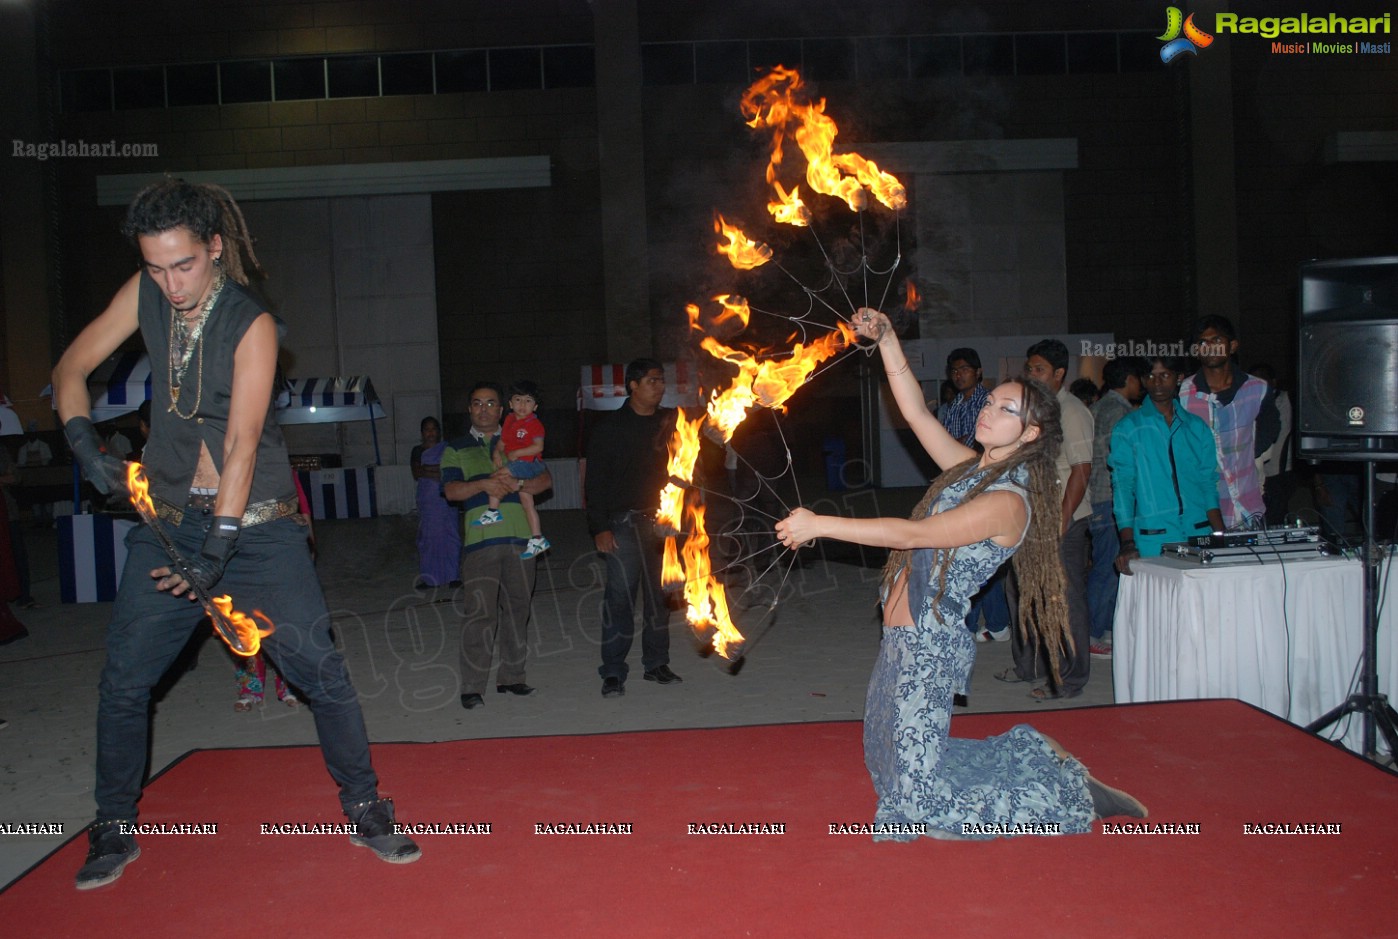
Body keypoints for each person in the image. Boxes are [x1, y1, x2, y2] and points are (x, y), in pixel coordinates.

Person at [52, 178, 420, 890]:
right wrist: (82, 442)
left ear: (214, 247)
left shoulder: (251, 323)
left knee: (322, 673)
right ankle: (114, 824)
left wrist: (214, 556)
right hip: (167, 522)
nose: (170, 282)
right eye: (156, 266)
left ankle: (366, 804)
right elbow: (69, 367)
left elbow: (243, 446)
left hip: (255, 530)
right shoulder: (147, 292)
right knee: (125, 681)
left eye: (182, 264)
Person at [776, 307, 1145, 840]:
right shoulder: (974, 469)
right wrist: (886, 339)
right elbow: (918, 416)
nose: (988, 411)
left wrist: (821, 524)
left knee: (917, 808)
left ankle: (1067, 789)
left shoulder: (1008, 502)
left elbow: (912, 535)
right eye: (991, 402)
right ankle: (1030, 750)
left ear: (1032, 431)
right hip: (900, 638)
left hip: (928, 646)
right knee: (886, 765)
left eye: (1005, 409)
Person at [441, 381, 552, 709]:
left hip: (521, 539)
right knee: (480, 613)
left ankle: (512, 677)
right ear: (469, 409)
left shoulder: (520, 437)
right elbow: (451, 491)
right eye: (477, 403)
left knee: (518, 609)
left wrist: (519, 482)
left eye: (491, 403)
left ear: (501, 410)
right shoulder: (456, 447)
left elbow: (545, 481)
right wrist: (484, 484)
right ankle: (473, 686)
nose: (484, 409)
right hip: (480, 542)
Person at [1003, 339, 1093, 702]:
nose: (1032, 375)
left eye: (1039, 369)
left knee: (1064, 600)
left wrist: (1062, 519)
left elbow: (1082, 469)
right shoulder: (1037, 410)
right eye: (1029, 368)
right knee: (1021, 592)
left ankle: (1070, 679)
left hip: (1060, 521)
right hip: (1029, 518)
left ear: (1059, 374)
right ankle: (1030, 667)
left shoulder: (1071, 411)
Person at [585, 358, 682, 698]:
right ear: (633, 385)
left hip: (661, 522)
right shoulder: (610, 428)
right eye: (652, 380)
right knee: (620, 598)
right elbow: (594, 482)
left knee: (660, 597)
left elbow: (688, 465)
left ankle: (656, 663)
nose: (659, 386)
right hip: (622, 522)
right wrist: (599, 526)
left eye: (661, 380)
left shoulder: (671, 422)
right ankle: (613, 670)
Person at [1110, 356, 1224, 568]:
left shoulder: (1196, 427)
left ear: (1178, 378)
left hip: (1198, 532)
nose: (1158, 382)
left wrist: (1220, 535)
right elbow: (1123, 488)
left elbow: (1208, 483)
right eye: (1151, 376)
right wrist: (1127, 542)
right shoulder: (1127, 428)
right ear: (1143, 380)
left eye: (1165, 375)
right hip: (1153, 539)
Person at [1179, 316, 1278, 530]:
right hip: (1204, 508)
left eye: (1216, 341)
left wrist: (1246, 453)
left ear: (1232, 346)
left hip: (1248, 504)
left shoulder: (1257, 389)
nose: (1210, 348)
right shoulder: (1185, 394)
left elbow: (1271, 427)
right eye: (1203, 343)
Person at [1084, 357, 1144, 657]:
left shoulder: (1095, 408)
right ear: (1129, 379)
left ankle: (1104, 628)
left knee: (1107, 565)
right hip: (1109, 497)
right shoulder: (1120, 412)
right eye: (1140, 378)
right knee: (1108, 568)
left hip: (1094, 496)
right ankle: (1092, 632)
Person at [474, 380, 550, 560]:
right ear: (510, 404)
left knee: (497, 476)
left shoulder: (534, 424)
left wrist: (518, 452)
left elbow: (538, 447)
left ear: (535, 406)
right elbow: (503, 442)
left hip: (530, 464)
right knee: (527, 503)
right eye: (518, 400)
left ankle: (493, 511)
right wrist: (496, 453)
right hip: (519, 463)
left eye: (528, 401)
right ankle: (537, 538)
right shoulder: (509, 420)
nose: (522, 405)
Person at [410, 416, 460, 589]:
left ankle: (453, 576)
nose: (430, 433)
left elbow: (449, 471)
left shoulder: (447, 449)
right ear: (422, 433)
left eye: (433, 429)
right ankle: (429, 578)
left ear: (438, 432)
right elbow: (417, 472)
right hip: (428, 500)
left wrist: (428, 470)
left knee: (450, 535)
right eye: (427, 429)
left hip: (446, 498)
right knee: (429, 538)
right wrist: (437, 471)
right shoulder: (417, 451)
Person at [1248, 363, 1296, 527]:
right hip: (1257, 473)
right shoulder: (1248, 405)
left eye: (1263, 380)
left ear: (1273, 382)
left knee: (1276, 518)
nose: (1259, 385)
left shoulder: (1285, 399)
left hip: (1280, 471)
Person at [936, 347, 989, 448]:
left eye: (964, 370)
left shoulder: (987, 400)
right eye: (954, 371)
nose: (958, 375)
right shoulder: (954, 405)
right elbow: (945, 441)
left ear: (978, 372)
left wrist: (955, 445)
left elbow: (978, 441)